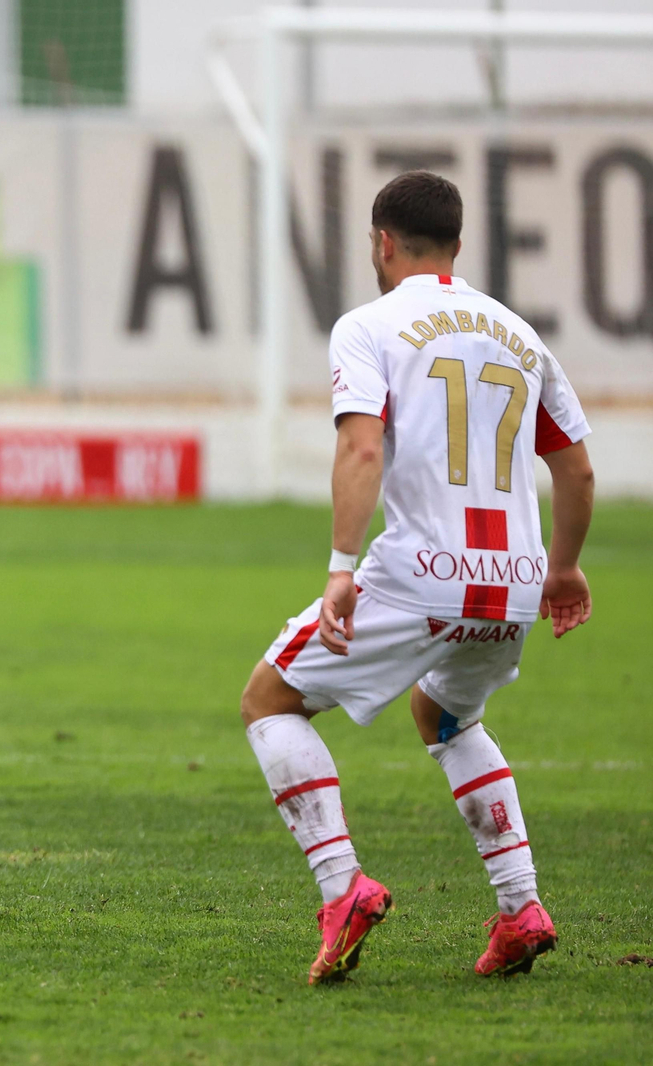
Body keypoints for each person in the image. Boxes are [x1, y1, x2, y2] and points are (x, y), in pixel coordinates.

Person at [238, 171, 594, 984]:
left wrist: (339, 568)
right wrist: (564, 568)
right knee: (443, 712)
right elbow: (575, 472)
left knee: (269, 699)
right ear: (459, 247)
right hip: (511, 582)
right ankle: (520, 908)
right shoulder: (519, 336)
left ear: (382, 243)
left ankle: (343, 889)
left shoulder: (368, 326)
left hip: (421, 574)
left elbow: (363, 449)